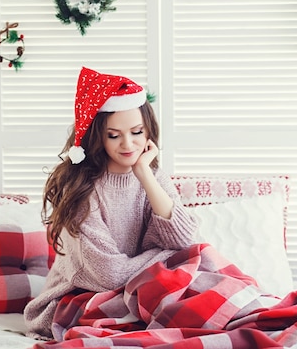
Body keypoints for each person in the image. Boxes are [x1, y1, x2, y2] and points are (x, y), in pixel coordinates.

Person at [23, 66, 198, 340]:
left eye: (137, 132)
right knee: (186, 297)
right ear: (97, 138)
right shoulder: (80, 189)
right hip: (80, 300)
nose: (128, 144)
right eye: (114, 135)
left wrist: (144, 174)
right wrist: (166, 257)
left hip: (140, 289)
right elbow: (111, 275)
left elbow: (186, 239)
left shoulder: (151, 175)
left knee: (207, 269)